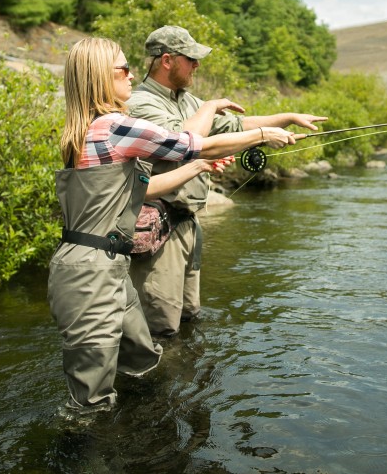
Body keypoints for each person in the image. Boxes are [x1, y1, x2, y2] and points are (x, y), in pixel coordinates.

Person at [48, 36, 299, 412]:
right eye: (123, 69)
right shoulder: (114, 126)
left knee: (142, 363)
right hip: (89, 273)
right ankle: (90, 460)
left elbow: (140, 189)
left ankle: (144, 437)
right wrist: (262, 136)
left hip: (108, 266)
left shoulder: (92, 130)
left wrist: (197, 168)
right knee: (90, 402)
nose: (131, 75)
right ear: (102, 76)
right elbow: (192, 142)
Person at [127, 25, 327, 337]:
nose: (197, 65)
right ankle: (153, 384)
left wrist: (284, 118)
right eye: (191, 58)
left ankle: (190, 383)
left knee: (189, 319)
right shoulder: (141, 104)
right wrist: (258, 134)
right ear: (167, 61)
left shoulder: (189, 101)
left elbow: (232, 125)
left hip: (187, 225)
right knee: (160, 328)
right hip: (158, 232)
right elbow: (184, 140)